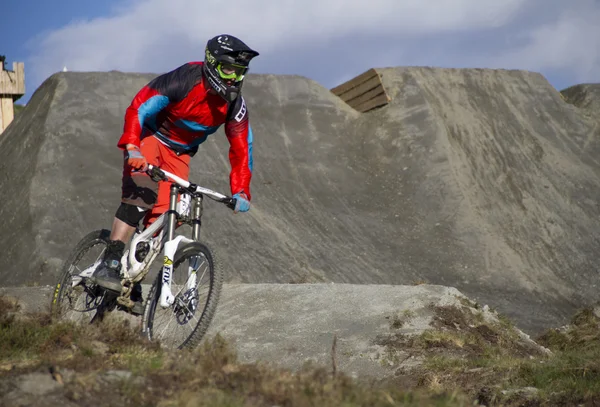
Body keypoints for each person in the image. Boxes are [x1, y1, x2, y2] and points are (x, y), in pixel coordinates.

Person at [90, 34, 259, 306]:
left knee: (171, 215)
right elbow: (139, 107)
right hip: (150, 137)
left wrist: (241, 191)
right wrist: (132, 146)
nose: (234, 78)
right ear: (212, 64)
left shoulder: (235, 106)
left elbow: (242, 149)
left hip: (180, 153)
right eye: (229, 70)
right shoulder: (183, 79)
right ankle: (109, 262)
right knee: (141, 194)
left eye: (240, 72)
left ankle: (130, 277)